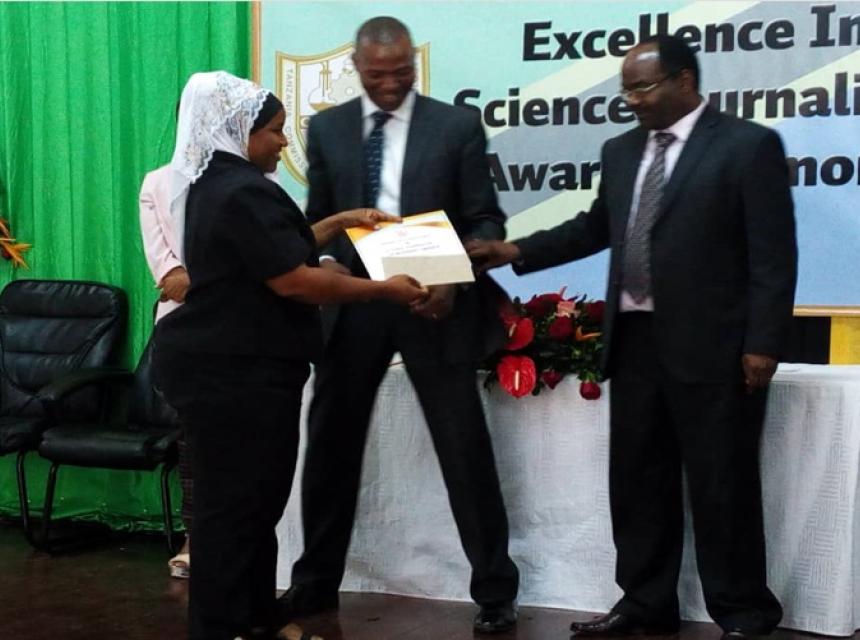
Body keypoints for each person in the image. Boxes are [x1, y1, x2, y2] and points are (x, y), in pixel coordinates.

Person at [467, 35, 796, 640]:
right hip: (636, 340)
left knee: (722, 484)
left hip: (715, 346)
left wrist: (764, 343)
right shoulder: (621, 151)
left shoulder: (748, 146)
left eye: (642, 87)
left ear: (684, 82)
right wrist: (514, 249)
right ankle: (645, 603)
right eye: (626, 88)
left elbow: (774, 255)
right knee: (638, 481)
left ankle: (744, 612)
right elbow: (596, 226)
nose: (631, 100)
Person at [152, 70, 427, 640]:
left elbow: (279, 246)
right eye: (274, 131)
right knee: (233, 509)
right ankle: (223, 625)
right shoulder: (241, 189)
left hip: (234, 367)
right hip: (234, 371)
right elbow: (294, 280)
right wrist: (385, 290)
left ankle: (254, 616)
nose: (283, 141)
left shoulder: (218, 182)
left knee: (253, 502)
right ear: (240, 131)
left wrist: (342, 221)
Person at [280, 16, 520, 635]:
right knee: (330, 446)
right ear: (356, 68)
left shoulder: (457, 125)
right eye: (379, 75)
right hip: (354, 306)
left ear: (415, 64)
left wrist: (454, 276)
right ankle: (313, 584)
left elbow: (485, 218)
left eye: (402, 73)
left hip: (433, 303)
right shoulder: (328, 128)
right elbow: (320, 219)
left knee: (463, 446)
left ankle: (495, 590)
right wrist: (328, 265)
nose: (391, 85)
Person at [139, 158, 194, 580]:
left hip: (245, 330)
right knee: (192, 443)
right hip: (181, 331)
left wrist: (201, 279)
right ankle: (195, 537)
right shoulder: (157, 182)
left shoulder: (251, 177)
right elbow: (170, 277)